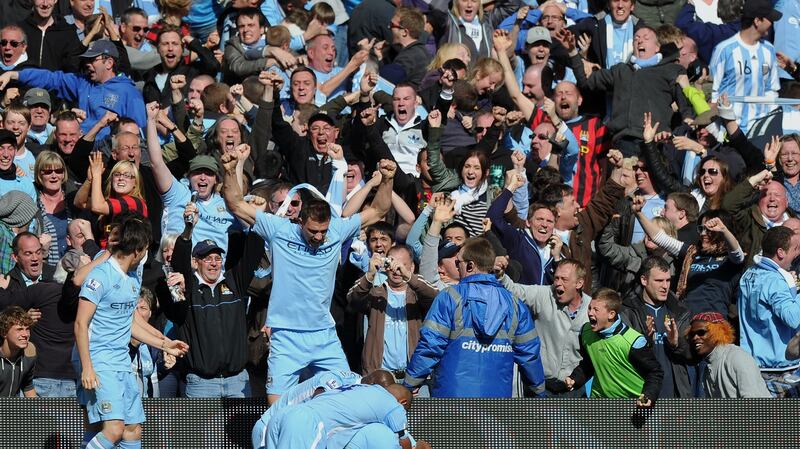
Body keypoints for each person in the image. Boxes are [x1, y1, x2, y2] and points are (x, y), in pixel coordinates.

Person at [222, 151, 397, 404]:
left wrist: (388, 179)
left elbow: (379, 209)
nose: (319, 237)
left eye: (323, 231)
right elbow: (236, 204)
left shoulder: (336, 230)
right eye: (313, 231)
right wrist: (229, 170)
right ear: (300, 221)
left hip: (324, 334)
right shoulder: (279, 229)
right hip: (286, 335)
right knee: (277, 407)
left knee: (346, 399)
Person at [74, 215, 188, 449]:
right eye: (146, 250)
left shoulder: (132, 280)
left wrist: (165, 344)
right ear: (137, 250)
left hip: (122, 362)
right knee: (113, 430)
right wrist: (87, 366)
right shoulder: (100, 276)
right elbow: (80, 324)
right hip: (100, 361)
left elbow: (131, 324)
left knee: (133, 431)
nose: (147, 256)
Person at [404, 237, 546, 397]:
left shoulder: (449, 298)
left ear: (470, 265)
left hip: (452, 402)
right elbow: (530, 354)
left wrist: (409, 384)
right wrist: (539, 391)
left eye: (458, 263)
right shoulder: (514, 304)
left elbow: (430, 346)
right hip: (497, 402)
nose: (457, 268)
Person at [163, 200, 264, 398]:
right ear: (195, 262)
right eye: (207, 258)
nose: (213, 263)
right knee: (201, 431)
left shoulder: (234, 282)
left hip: (238, 382)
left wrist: (257, 216)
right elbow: (178, 263)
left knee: (242, 431)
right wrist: (188, 230)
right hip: (201, 384)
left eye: (217, 258)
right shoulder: (187, 286)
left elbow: (253, 251)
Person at [0, 40, 147, 142]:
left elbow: (139, 131)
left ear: (109, 63)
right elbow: (50, 79)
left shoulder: (129, 92)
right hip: (76, 148)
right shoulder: (82, 82)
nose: (87, 64)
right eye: (86, 61)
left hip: (107, 155)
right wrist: (15, 74)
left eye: (92, 60)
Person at [499, 259, 591, 396]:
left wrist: (578, 378)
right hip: (541, 386)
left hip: (574, 389)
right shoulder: (544, 295)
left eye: (564, 279)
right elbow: (514, 290)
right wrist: (500, 275)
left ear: (579, 283)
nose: (558, 283)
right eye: (556, 278)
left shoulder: (592, 309)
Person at [346, 244, 439, 379]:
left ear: (412, 267)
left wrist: (409, 276)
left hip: (414, 377)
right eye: (392, 264)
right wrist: (370, 274)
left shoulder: (417, 294)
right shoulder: (376, 293)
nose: (396, 270)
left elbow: (437, 298)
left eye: (402, 265)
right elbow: (352, 298)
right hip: (380, 376)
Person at [566, 288, 664, 405]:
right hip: (599, 402)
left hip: (634, 405)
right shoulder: (586, 332)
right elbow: (589, 363)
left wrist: (647, 396)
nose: (590, 313)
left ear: (611, 314)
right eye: (590, 308)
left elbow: (655, 372)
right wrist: (575, 379)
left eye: (596, 310)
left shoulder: (633, 341)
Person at [738, 226, 800, 397]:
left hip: (754, 365)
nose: (796, 255)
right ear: (781, 252)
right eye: (795, 249)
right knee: (784, 423)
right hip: (779, 369)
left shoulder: (749, 273)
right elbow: (793, 318)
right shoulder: (775, 281)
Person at [620, 256, 693, 398]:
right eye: (659, 281)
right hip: (641, 393)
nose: (665, 286)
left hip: (674, 394)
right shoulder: (627, 312)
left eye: (668, 280)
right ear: (644, 280)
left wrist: (676, 344)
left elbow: (691, 356)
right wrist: (645, 340)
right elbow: (622, 356)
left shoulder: (680, 311)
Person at [266, 383, 413, 449]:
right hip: (307, 423)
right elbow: (404, 442)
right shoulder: (395, 406)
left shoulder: (362, 388)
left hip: (282, 415)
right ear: (403, 402)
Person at [710, 0, 781, 133]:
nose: (772, 23)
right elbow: (714, 92)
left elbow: (772, 89)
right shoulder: (724, 49)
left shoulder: (769, 50)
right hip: (730, 131)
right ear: (757, 21)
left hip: (760, 130)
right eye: (769, 19)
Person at [688, 311, 771, 398]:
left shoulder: (737, 357)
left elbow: (754, 403)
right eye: (692, 334)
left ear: (718, 332)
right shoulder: (707, 367)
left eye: (701, 332)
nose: (695, 338)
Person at [0, 305, 36, 397]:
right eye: (19, 329)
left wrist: (37, 410)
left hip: (13, 409)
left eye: (27, 329)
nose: (25, 334)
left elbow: (28, 386)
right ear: (4, 332)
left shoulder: (29, 351)